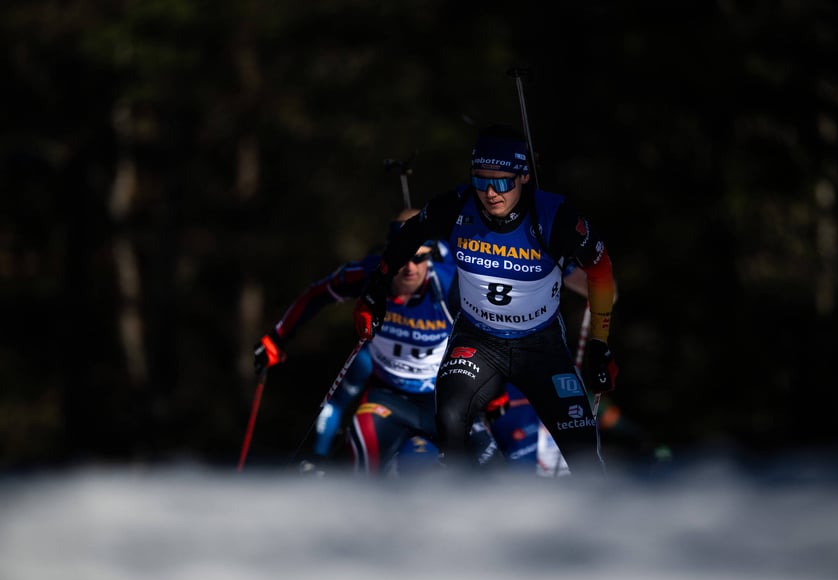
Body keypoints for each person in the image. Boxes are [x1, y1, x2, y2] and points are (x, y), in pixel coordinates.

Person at [354, 123, 619, 478]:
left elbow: (600, 271)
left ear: (524, 176)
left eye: (502, 181)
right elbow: (409, 234)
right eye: (481, 180)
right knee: (450, 419)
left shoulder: (553, 216)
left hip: (540, 345)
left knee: (583, 448)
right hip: (478, 340)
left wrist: (601, 344)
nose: (490, 192)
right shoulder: (458, 206)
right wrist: (375, 289)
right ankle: (464, 515)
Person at [254, 218, 495, 476]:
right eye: (403, 257)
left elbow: (490, 331)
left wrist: (492, 386)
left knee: (491, 465)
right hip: (387, 397)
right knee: (362, 460)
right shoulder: (369, 274)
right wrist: (276, 338)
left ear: (431, 258)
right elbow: (318, 293)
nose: (410, 267)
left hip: (442, 399)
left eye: (420, 258)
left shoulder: (450, 286)